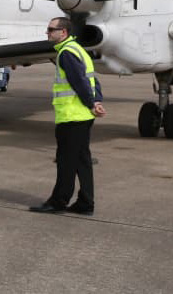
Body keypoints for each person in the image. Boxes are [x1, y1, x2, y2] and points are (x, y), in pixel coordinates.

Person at [30, 17, 105, 215]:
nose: (47, 32)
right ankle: (86, 203)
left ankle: (58, 202)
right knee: (82, 161)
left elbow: (79, 82)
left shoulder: (66, 53)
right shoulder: (78, 49)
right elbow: (92, 79)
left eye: (50, 29)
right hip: (83, 115)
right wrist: (96, 101)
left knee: (66, 161)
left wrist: (91, 103)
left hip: (72, 116)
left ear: (63, 32)